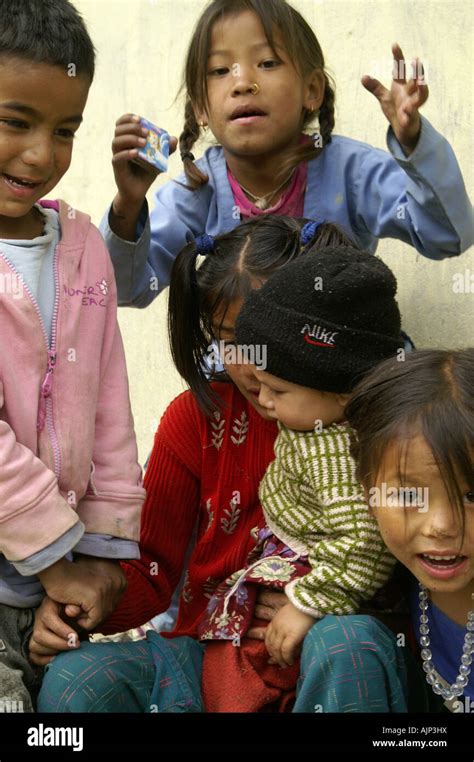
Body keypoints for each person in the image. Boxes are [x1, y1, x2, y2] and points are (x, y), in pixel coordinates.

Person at [36, 216, 390, 713]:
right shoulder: (197, 420)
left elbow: (389, 552)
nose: (248, 364)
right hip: (210, 655)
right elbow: (153, 570)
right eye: (229, 338)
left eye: (262, 337)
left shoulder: (376, 421)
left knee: (347, 645)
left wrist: (317, 603)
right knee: (78, 681)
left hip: (325, 647)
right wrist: (79, 606)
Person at [101, 0, 472, 309]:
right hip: (241, 381)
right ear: (200, 106)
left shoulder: (352, 172)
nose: (244, 82)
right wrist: (128, 204)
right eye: (219, 70)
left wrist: (415, 143)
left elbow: (449, 235)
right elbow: (126, 288)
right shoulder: (197, 190)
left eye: (267, 63)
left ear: (312, 90)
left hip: (342, 380)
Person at [0, 0, 144, 711]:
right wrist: (60, 560)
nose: (39, 155)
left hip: (52, 593)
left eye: (65, 131)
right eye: (14, 120)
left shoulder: (83, 247)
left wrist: (98, 561)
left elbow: (110, 405)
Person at [197, 234, 403, 711]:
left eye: (278, 391)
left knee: (239, 666)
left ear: (344, 394)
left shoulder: (330, 448)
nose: (261, 398)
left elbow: (363, 539)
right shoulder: (314, 421)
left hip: (318, 572)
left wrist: (310, 602)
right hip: (301, 567)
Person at [292, 348, 474, 713]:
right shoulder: (374, 590)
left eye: (471, 495)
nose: (441, 526)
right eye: (408, 494)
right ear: (368, 494)